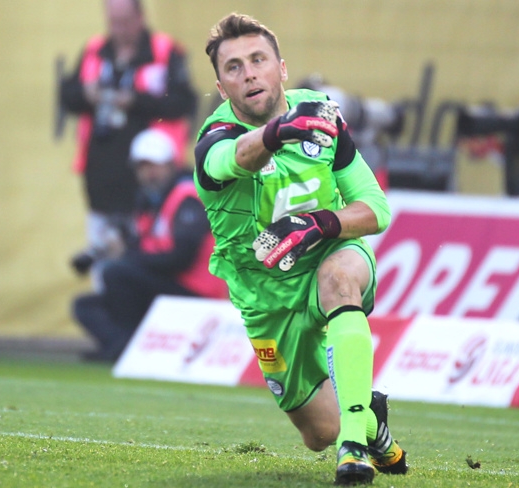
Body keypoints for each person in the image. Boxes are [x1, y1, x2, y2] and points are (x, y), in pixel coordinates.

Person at [193, 14, 406, 485]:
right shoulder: (216, 137)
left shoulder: (323, 114)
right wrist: (278, 133)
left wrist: (322, 223)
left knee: (339, 278)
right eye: (233, 67)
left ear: (281, 68)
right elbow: (229, 159)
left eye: (257, 60)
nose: (248, 73)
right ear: (221, 86)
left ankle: (355, 446)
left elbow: (376, 208)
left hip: (327, 257)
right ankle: (369, 421)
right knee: (318, 432)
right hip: (266, 297)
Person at [60, 0, 198, 287]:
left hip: (150, 180)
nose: (118, 30)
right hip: (102, 176)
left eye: (124, 21)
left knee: (141, 262)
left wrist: (135, 100)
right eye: (113, 22)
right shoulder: (95, 50)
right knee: (102, 261)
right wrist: (89, 95)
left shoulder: (164, 51)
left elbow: (184, 101)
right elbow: (68, 96)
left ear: (139, 17)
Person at [73, 128, 227, 362]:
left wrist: (128, 257)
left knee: (117, 273)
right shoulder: (149, 202)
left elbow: (181, 257)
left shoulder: (187, 195)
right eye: (142, 167)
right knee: (85, 306)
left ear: (170, 164)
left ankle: (126, 347)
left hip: (194, 290)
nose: (149, 173)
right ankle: (121, 346)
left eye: (154, 166)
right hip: (165, 285)